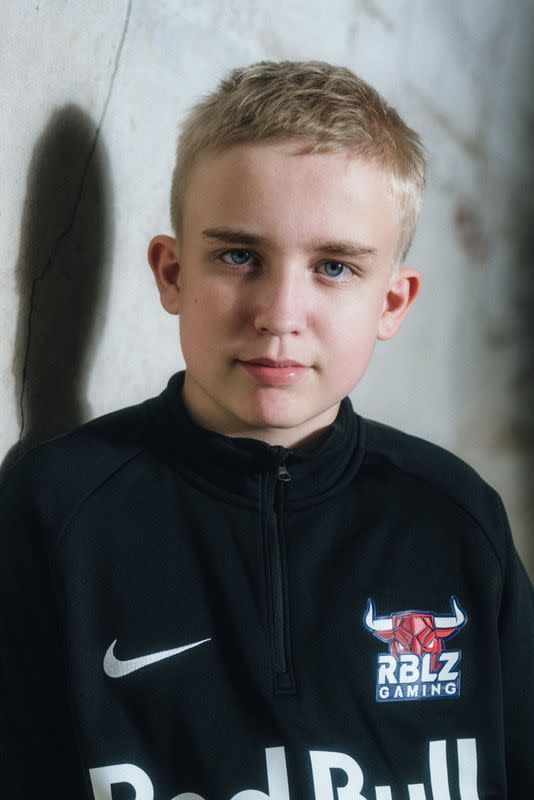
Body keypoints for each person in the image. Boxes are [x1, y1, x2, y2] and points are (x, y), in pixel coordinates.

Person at [1, 60, 533, 800]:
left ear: (394, 301)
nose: (280, 313)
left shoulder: (455, 518)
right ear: (172, 272)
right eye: (240, 256)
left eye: (335, 267)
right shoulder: (55, 509)